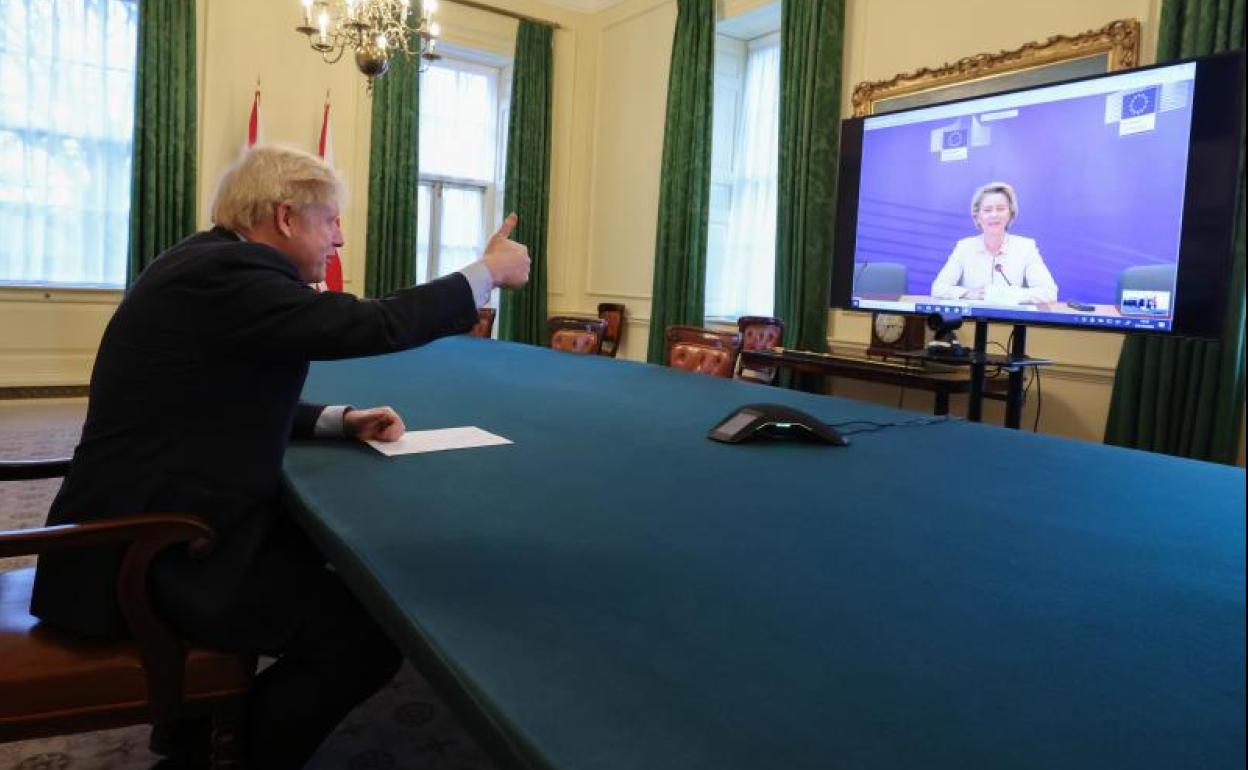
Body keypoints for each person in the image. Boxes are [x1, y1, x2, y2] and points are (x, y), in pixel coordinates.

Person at [29, 145, 530, 768]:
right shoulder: (227, 276)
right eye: (331, 221)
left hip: (148, 518)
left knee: (333, 567)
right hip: (151, 548)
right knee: (364, 637)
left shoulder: (206, 262)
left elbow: (213, 396)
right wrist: (484, 272)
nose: (340, 238)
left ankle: (194, 727)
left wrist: (336, 420)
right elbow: (369, 324)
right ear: (286, 217)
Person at [930, 181, 1058, 304]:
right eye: (987, 210)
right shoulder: (964, 247)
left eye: (1001, 209)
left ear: (1010, 214)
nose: (994, 215)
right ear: (977, 217)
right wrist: (967, 293)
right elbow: (938, 288)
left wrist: (1010, 295)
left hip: (1011, 322)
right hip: (972, 322)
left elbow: (1049, 292)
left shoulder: (1025, 247)